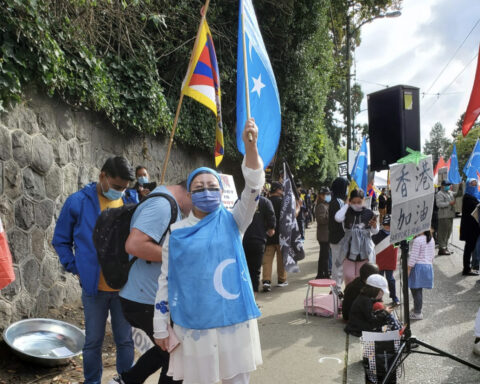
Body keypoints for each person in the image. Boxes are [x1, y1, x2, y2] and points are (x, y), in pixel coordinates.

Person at [153, 118, 264, 384]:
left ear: (222, 191)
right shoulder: (176, 233)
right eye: (199, 188)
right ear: (189, 194)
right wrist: (160, 325)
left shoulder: (235, 220)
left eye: (213, 187)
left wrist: (251, 148)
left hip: (232, 321)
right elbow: (166, 281)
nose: (206, 192)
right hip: (192, 325)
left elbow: (253, 189)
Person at [52, 156, 137, 384]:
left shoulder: (131, 202)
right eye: (117, 186)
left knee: (125, 340)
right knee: (92, 342)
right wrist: (75, 266)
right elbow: (60, 240)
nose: (120, 191)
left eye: (125, 188)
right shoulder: (78, 202)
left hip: (124, 287)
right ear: (103, 176)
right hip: (94, 288)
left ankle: (125, 380)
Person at [111, 181, 192, 384]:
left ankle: (125, 381)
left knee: (164, 349)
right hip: (144, 299)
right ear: (190, 192)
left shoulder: (168, 202)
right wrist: (180, 255)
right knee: (176, 358)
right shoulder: (163, 205)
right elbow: (135, 244)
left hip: (147, 297)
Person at [335, 189, 379, 286]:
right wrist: (346, 205)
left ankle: (359, 298)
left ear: (364, 200)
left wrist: (374, 225)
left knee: (361, 278)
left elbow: (375, 231)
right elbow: (338, 218)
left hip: (364, 251)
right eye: (353, 202)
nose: (356, 204)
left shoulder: (369, 213)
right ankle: (349, 296)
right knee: (349, 276)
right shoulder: (346, 211)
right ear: (350, 201)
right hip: (348, 251)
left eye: (359, 202)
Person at [243, 195, 276, 295]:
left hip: (242, 240)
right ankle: (252, 300)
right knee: (255, 271)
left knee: (243, 270)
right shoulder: (265, 202)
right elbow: (271, 224)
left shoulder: (241, 199)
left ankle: (245, 298)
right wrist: (270, 229)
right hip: (259, 240)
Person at [262, 181, 287, 291]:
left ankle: (266, 280)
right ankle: (281, 280)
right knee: (281, 259)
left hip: (268, 234)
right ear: (278, 189)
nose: (282, 191)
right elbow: (290, 217)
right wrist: (298, 207)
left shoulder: (265, 202)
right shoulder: (283, 202)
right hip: (282, 235)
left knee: (267, 259)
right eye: (281, 188)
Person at [372, 215, 400, 306]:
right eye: (386, 224)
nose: (387, 226)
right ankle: (379, 298)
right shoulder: (377, 234)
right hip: (380, 261)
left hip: (390, 261)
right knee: (379, 280)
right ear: (383, 224)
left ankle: (394, 297)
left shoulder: (396, 234)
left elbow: (403, 241)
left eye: (389, 224)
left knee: (390, 279)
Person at [408, 230, 435, 320]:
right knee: (419, 291)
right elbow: (432, 255)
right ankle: (417, 308)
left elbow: (413, 257)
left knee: (416, 291)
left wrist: (408, 269)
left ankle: (417, 313)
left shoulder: (418, 240)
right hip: (428, 266)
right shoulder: (431, 239)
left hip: (418, 267)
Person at [328, 177, 349, 287]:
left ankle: (336, 294)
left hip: (335, 239)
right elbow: (342, 221)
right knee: (338, 269)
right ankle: (336, 294)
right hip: (339, 239)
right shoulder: (339, 202)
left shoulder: (334, 201)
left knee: (337, 268)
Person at [459, 178, 480, 276]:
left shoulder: (472, 197)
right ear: (468, 186)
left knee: (470, 248)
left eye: (475, 184)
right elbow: (475, 207)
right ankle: (466, 269)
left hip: (473, 228)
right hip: (470, 229)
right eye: (472, 184)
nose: (474, 186)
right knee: (469, 249)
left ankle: (468, 267)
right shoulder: (468, 198)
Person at [436, 180, 456, 256]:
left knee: (448, 232)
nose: (448, 186)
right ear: (442, 186)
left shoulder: (450, 192)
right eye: (446, 185)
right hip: (443, 216)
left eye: (449, 185)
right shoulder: (440, 194)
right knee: (443, 233)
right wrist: (449, 203)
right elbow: (439, 204)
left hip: (450, 215)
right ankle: (442, 249)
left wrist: (460, 187)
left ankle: (445, 247)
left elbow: (458, 194)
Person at [315, 187, 331, 279]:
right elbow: (321, 220)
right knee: (324, 256)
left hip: (325, 234)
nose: (328, 196)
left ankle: (322, 273)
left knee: (324, 256)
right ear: (321, 195)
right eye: (326, 194)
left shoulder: (325, 204)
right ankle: (323, 274)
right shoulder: (321, 206)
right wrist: (330, 216)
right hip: (323, 235)